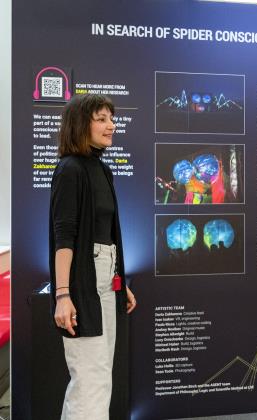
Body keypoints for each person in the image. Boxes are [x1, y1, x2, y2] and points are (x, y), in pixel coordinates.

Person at [49, 93, 137, 419]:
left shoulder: (101, 169)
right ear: (79, 124)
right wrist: (62, 295)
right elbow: (64, 237)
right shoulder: (70, 170)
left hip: (105, 280)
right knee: (89, 381)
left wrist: (118, 283)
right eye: (101, 118)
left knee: (100, 378)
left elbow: (106, 234)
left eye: (111, 118)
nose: (111, 125)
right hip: (83, 283)